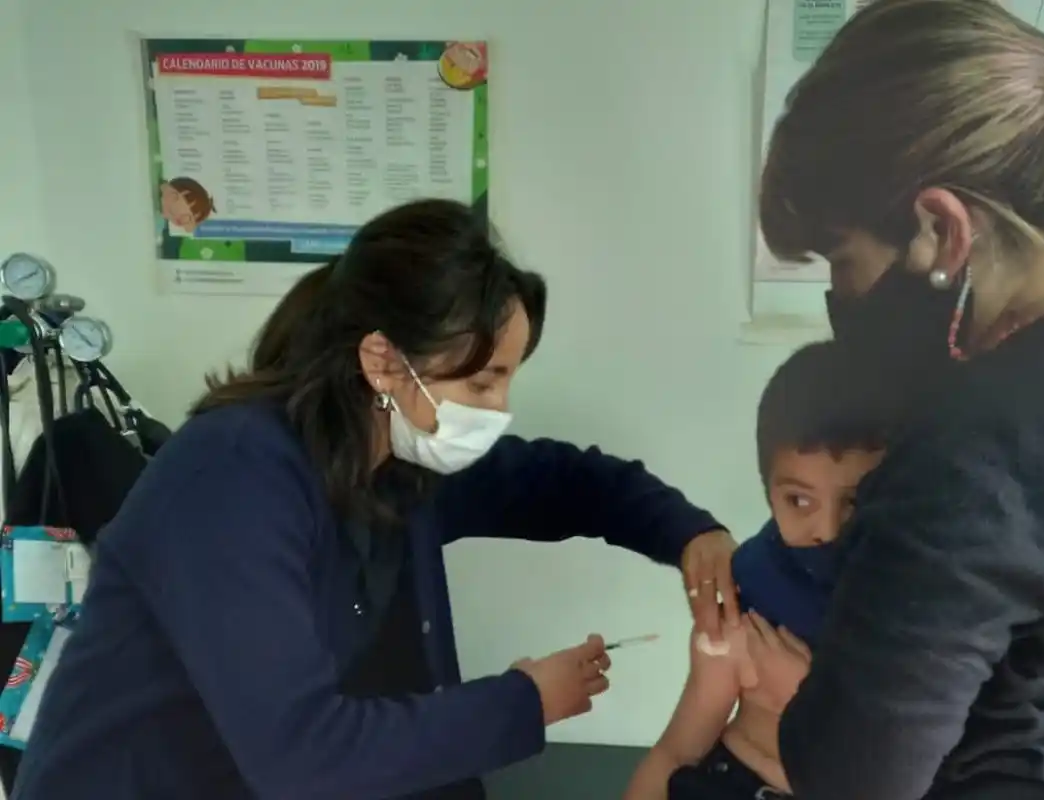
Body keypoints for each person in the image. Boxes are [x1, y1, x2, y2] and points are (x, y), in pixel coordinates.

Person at [12, 199, 740, 800]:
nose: (499, 408)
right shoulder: (232, 480)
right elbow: (304, 756)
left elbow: (560, 481)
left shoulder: (393, 457)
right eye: (483, 382)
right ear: (383, 361)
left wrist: (688, 534)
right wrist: (523, 702)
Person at [748, 2, 1044, 799]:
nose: (836, 294)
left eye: (841, 259)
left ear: (941, 230)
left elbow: (855, 779)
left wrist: (795, 708)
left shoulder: (977, 442)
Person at [623, 341, 900, 800]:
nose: (826, 530)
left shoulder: (920, 598)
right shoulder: (749, 584)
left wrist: (810, 699)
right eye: (799, 500)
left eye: (854, 501)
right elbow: (678, 750)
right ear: (768, 490)